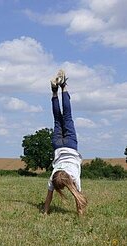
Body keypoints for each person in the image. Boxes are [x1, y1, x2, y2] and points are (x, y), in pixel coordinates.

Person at [43, 70, 88, 215]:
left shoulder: (74, 177)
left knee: (67, 117)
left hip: (70, 145)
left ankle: (63, 87)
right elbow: (49, 198)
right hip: (57, 145)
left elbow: (50, 198)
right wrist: (45, 211)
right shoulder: (54, 175)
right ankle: (55, 91)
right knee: (58, 118)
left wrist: (45, 213)